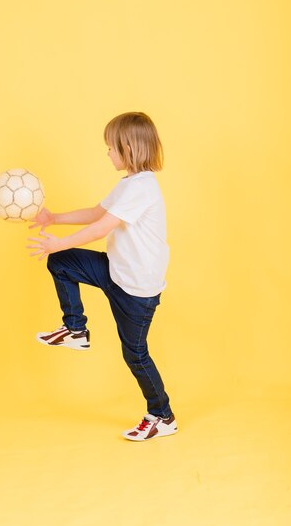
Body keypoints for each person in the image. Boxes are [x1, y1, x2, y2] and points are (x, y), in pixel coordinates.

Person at [26, 112, 177, 441]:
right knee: (61, 262)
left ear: (128, 148)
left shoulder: (143, 187)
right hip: (116, 271)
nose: (107, 153)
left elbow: (101, 228)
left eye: (111, 147)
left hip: (136, 289)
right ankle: (76, 329)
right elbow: (97, 213)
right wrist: (54, 218)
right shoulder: (129, 184)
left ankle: (162, 415)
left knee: (135, 354)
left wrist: (59, 242)